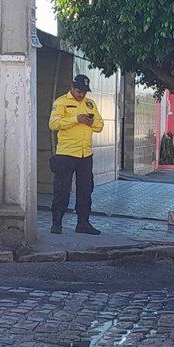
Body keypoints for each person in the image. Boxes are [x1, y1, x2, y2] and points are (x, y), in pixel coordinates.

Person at [48, 74, 104, 235]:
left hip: (85, 154)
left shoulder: (89, 103)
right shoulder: (61, 102)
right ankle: (57, 223)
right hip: (66, 153)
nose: (81, 94)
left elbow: (100, 125)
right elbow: (53, 124)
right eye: (79, 91)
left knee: (85, 190)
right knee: (62, 189)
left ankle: (83, 223)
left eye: (84, 92)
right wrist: (76, 119)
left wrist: (91, 122)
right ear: (72, 88)